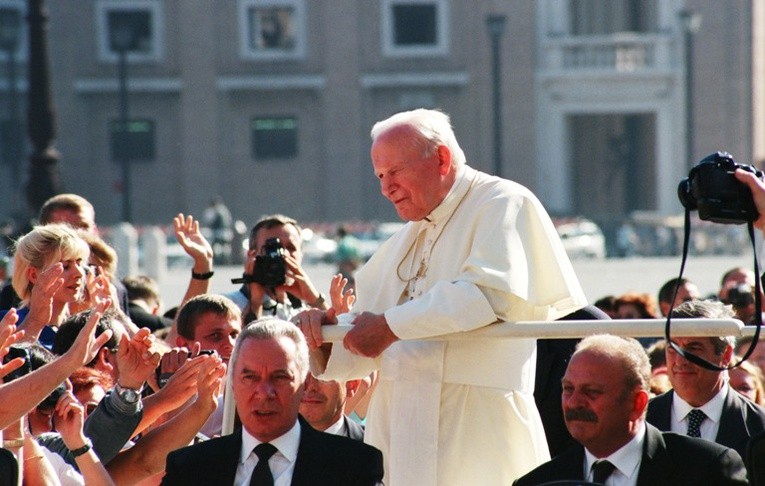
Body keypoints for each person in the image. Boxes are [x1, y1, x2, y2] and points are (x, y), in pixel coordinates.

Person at [296, 108, 587, 484]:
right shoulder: (403, 239)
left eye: (395, 172)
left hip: (475, 423)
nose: (386, 188)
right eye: (380, 177)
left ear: (441, 158)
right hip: (401, 429)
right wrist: (322, 335)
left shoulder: (502, 202)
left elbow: (487, 296)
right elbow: (363, 341)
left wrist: (389, 327)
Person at [161, 318, 384, 485]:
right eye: (250, 377)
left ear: (304, 384)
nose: (264, 392)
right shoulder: (190, 468)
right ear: (232, 385)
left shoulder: (354, 467)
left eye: (280, 377)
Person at [513, 334, 748, 485]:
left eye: (592, 391)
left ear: (637, 403)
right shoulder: (540, 483)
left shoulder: (708, 469)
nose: (574, 402)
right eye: (568, 389)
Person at [646, 299, 765, 458]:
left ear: (726, 355)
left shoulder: (759, 426)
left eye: (694, 348)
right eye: (672, 348)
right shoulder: (638, 420)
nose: (680, 361)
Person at [224, 215, 328, 322]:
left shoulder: (305, 311)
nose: (283, 254)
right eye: (272, 248)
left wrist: (315, 300)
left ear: (301, 254)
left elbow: (337, 335)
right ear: (251, 255)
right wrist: (255, 303)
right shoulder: (227, 306)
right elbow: (243, 338)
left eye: (291, 248)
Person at [299, 374, 364, 440]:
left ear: (352, 385)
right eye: (301, 373)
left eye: (323, 375)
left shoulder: (371, 443)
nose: (310, 387)